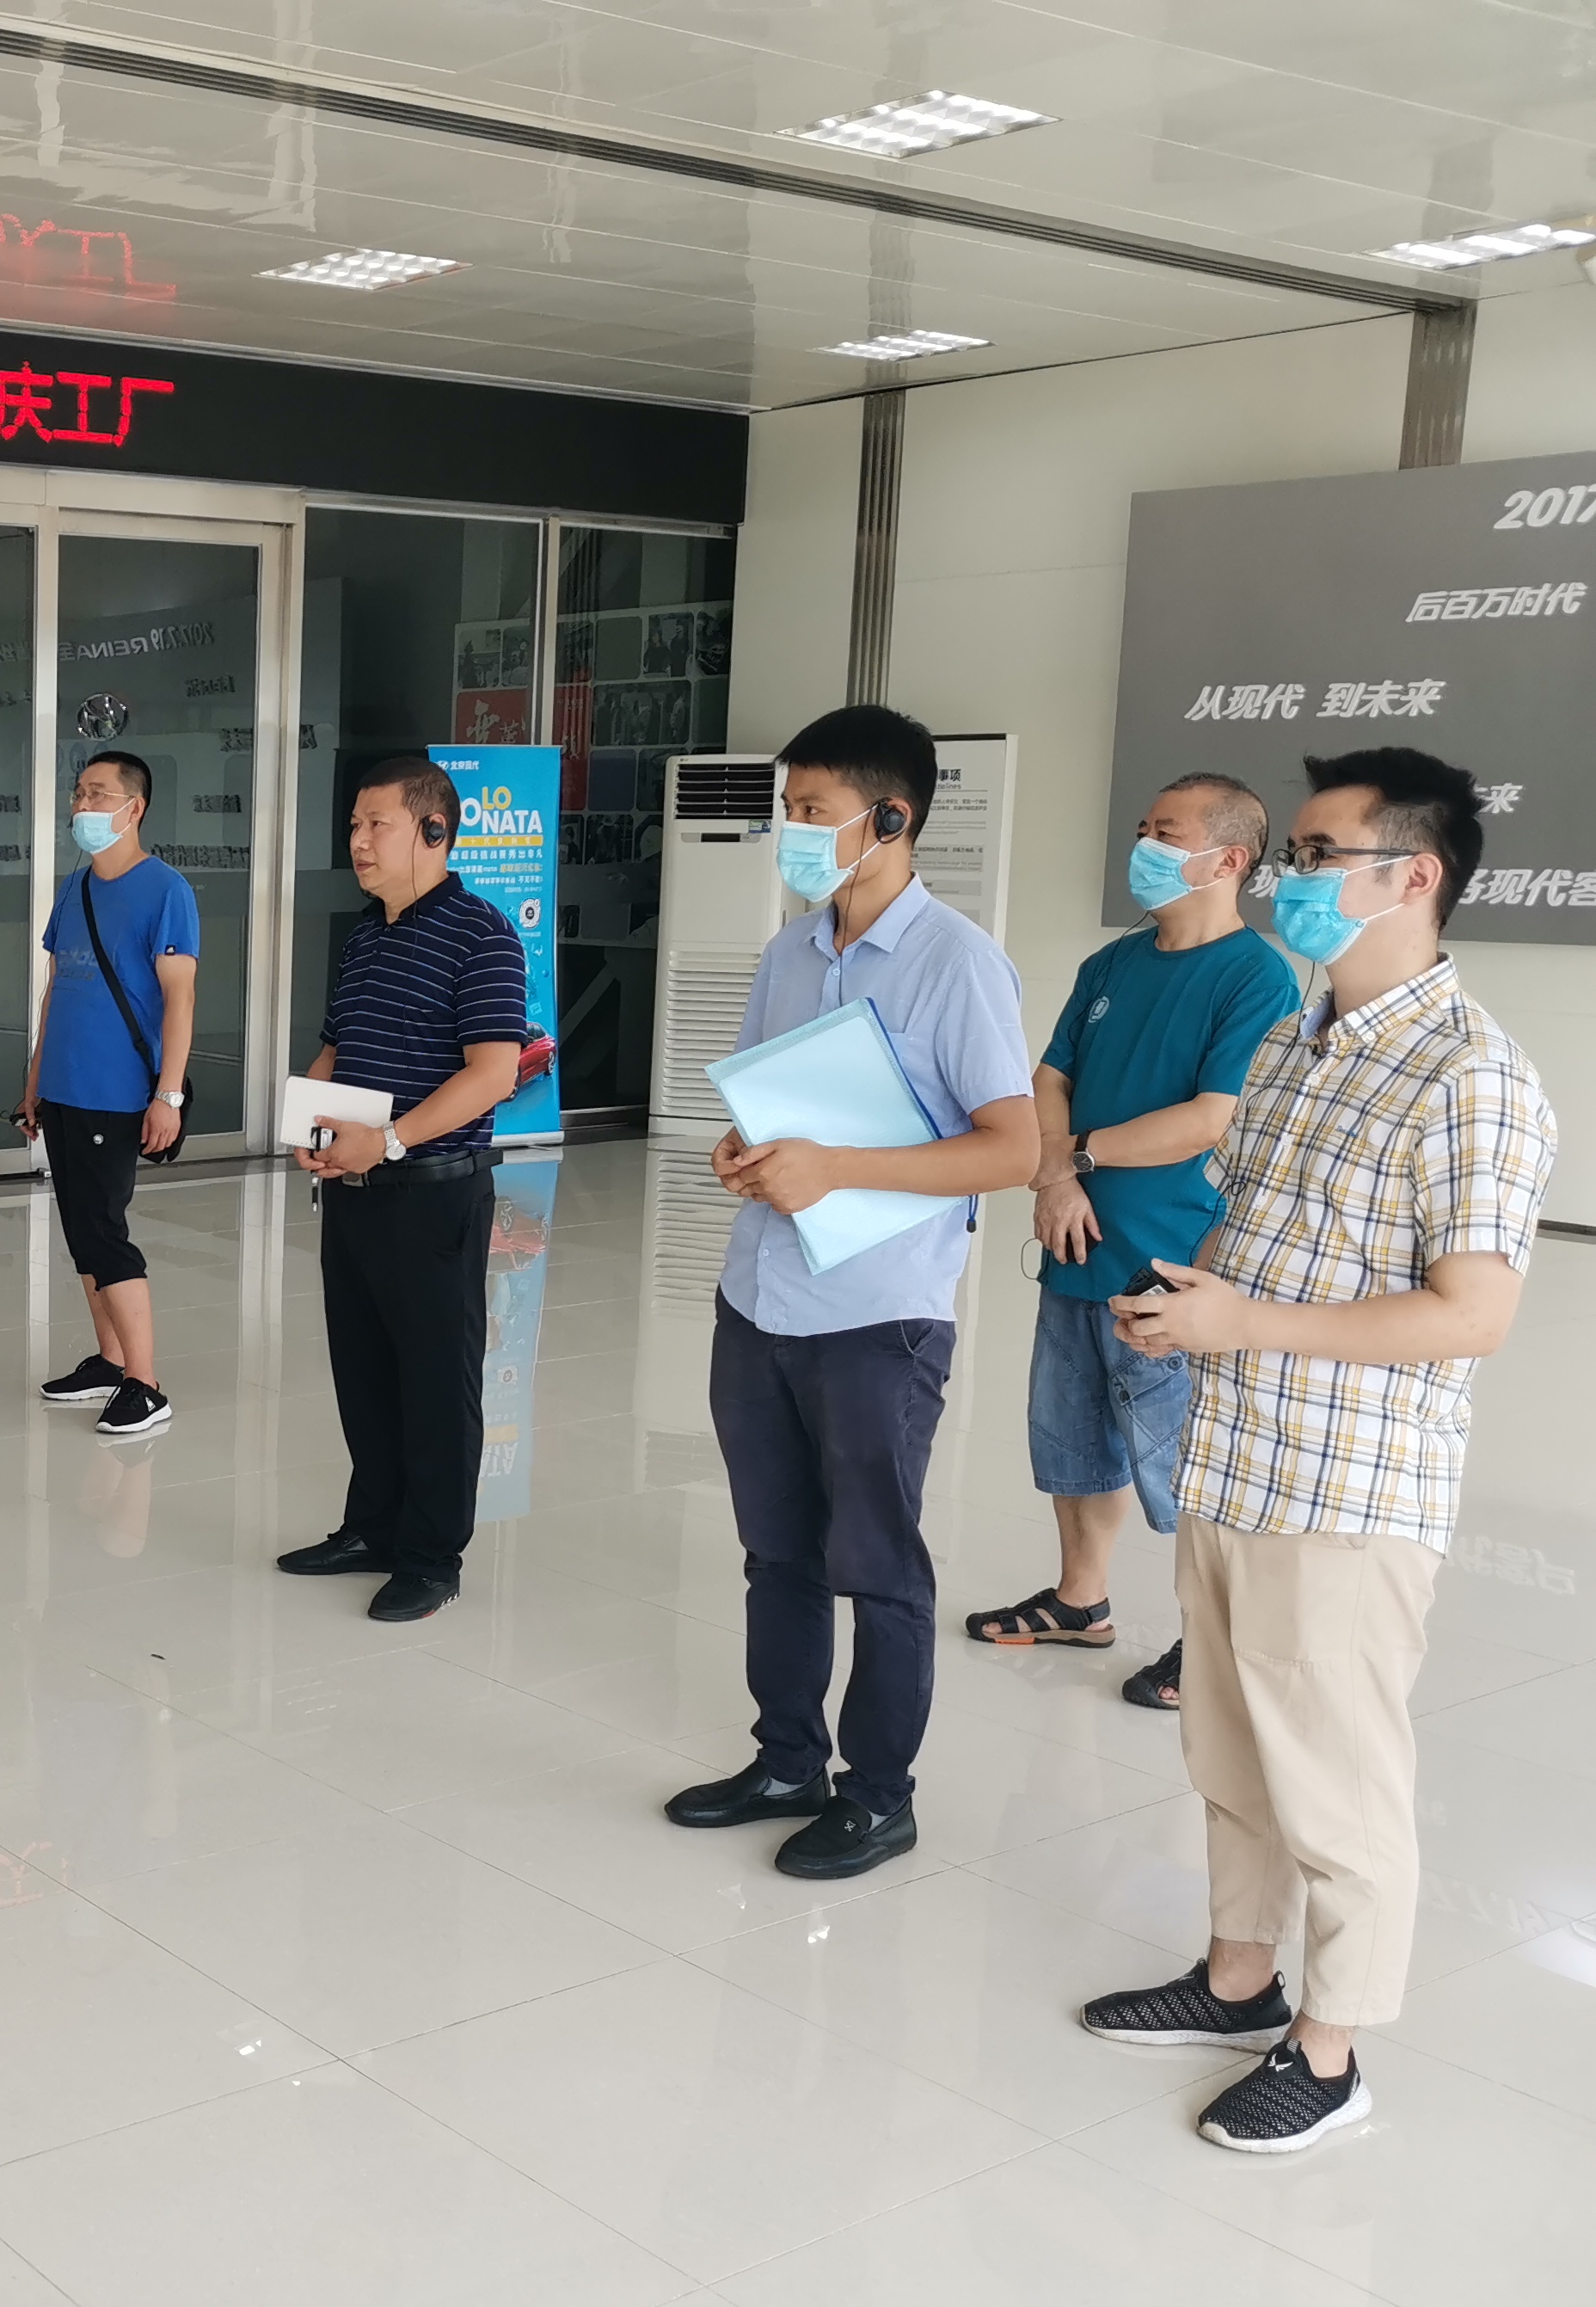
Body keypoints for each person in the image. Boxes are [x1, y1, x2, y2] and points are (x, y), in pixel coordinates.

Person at [1090, 746, 1554, 2153]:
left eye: (1315, 856)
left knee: (1337, 1785)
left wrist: (1247, 1318)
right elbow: (1263, 1225)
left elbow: (1472, 1316)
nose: (1289, 878)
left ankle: (1333, 2051)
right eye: (1290, 854)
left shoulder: (1472, 1077)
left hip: (1347, 1492)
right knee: (1233, 1755)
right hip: (1237, 1456)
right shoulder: (1295, 1038)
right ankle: (1238, 1979)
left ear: (1415, 877)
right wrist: (1196, 1301)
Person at [663, 704, 1038, 1878]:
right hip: (761, 1299)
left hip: (878, 1316)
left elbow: (1012, 1148)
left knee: (874, 1562)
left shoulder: (957, 964)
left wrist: (838, 1169)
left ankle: (878, 1796)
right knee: (774, 1551)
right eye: (787, 809)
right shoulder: (789, 952)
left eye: (812, 811)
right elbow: (767, 1107)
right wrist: (745, 1154)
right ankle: (786, 1760)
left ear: (889, 818)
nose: (792, 831)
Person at [964, 773, 1295, 1709]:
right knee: (1071, 1437)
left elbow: (1209, 1118)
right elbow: (1049, 1078)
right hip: (1076, 1240)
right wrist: (1057, 1179)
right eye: (1143, 827)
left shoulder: (1256, 977)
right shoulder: (1111, 963)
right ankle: (1080, 1600)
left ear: (1228, 859)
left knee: (1185, 1456)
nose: (1142, 845)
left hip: (1173, 1256)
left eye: (1166, 833)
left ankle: (1216, 1642)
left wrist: (1070, 1156)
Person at [272, 755, 529, 1621]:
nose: (358, 841)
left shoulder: (482, 935)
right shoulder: (366, 937)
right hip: (355, 1189)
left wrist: (385, 1141)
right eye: (354, 825)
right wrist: (309, 1128)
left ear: (434, 831)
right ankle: (371, 1528)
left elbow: (492, 1073)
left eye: (375, 824)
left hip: (432, 1192)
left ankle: (430, 1555)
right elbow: (336, 1049)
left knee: (433, 1378)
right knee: (364, 1368)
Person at [17, 749, 198, 1438]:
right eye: (78, 794)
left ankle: (145, 1384)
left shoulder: (166, 890)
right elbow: (55, 990)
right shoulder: (75, 888)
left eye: (98, 794)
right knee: (81, 1229)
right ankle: (110, 1359)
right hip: (64, 1085)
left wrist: (168, 1096)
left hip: (116, 1090)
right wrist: (35, 1081)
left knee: (104, 1231)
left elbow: (180, 1000)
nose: (83, 806)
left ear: (134, 807)